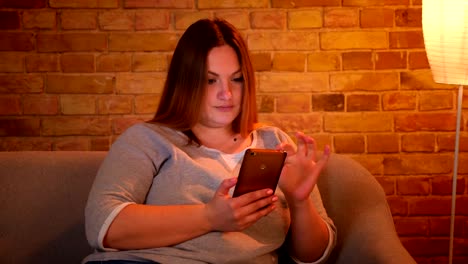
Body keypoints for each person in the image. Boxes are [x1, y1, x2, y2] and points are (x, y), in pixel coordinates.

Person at [83, 18, 336, 264]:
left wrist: (299, 202)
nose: (226, 94)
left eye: (236, 79)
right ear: (185, 83)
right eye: (210, 80)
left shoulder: (275, 143)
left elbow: (313, 257)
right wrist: (209, 217)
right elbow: (102, 223)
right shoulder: (148, 139)